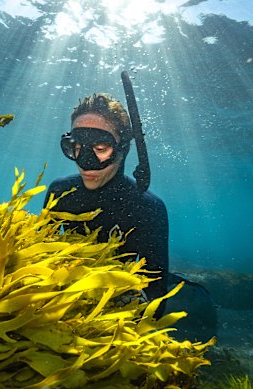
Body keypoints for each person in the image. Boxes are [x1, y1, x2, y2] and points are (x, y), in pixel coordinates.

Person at [43, 93, 169, 316]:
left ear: (123, 149)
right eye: (76, 147)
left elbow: (156, 293)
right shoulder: (60, 192)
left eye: (100, 149)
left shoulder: (148, 208)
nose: (86, 163)